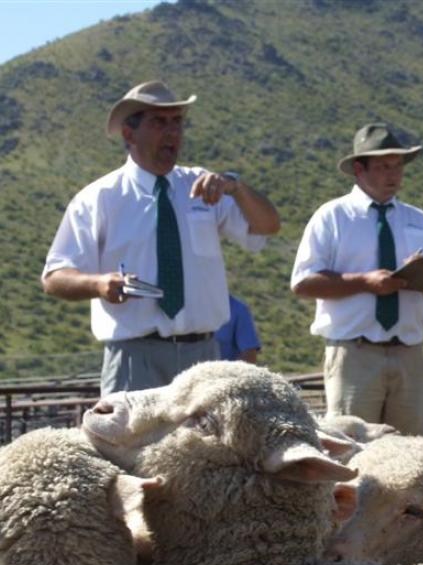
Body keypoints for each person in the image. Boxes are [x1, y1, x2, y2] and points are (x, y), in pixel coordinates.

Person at [42, 80, 280, 395]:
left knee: (207, 446)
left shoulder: (204, 186)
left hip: (205, 359)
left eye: (177, 122)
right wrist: (99, 285)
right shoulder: (99, 199)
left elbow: (268, 226)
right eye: (158, 123)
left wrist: (236, 187)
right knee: (133, 447)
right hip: (134, 359)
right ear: (130, 133)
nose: (172, 133)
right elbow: (55, 277)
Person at [290, 122, 423, 438]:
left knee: (414, 453)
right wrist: (365, 282)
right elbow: (303, 282)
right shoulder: (332, 217)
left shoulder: (418, 220)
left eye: (397, 166)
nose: (393, 174)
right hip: (355, 354)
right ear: (358, 169)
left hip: (409, 353)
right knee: (352, 450)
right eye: (382, 166)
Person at [214, 295, 261, 363]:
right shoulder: (194, 307)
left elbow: (250, 354)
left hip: (223, 371)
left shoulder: (238, 309)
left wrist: (226, 372)